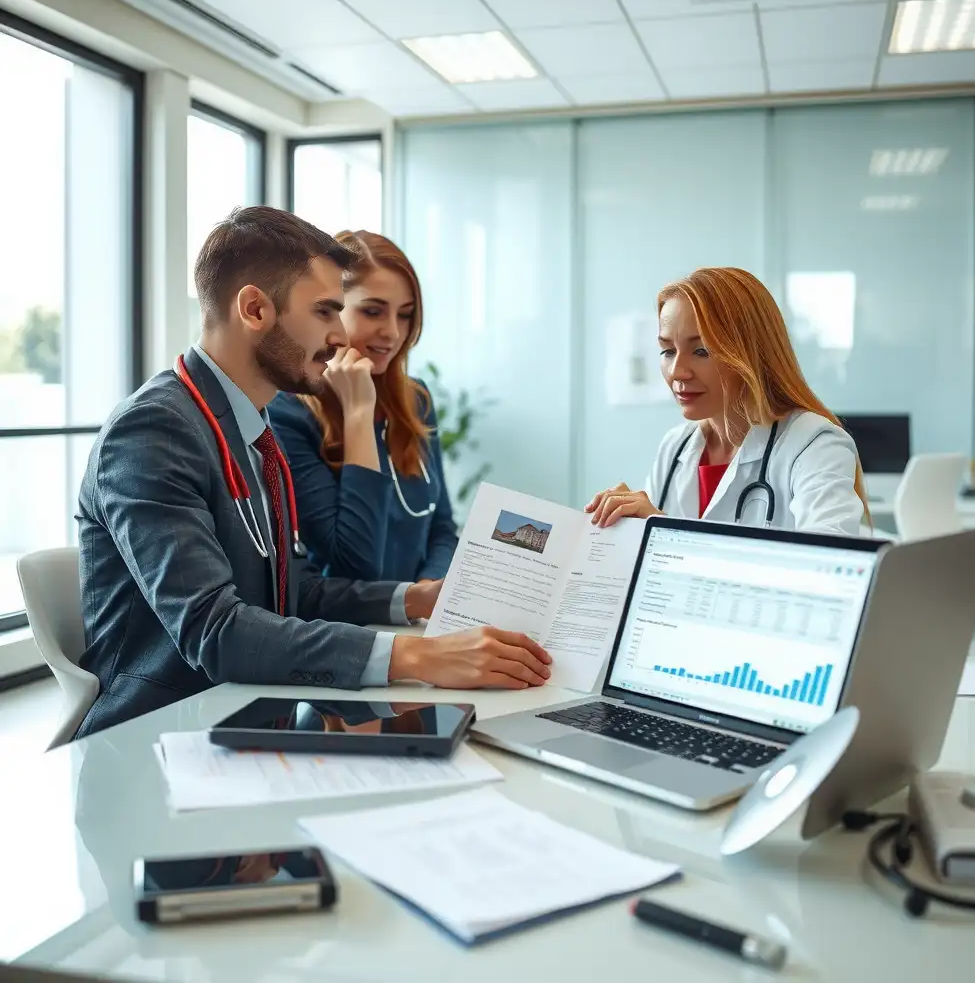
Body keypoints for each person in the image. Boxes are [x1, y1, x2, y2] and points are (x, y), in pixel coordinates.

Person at [74, 206, 550, 738]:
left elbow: (290, 592)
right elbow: (218, 631)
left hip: (252, 719)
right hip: (159, 743)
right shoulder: (154, 430)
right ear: (255, 309)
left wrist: (411, 599)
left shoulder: (249, 429)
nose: (339, 334)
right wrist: (417, 656)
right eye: (326, 312)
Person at [586, 267, 869, 534]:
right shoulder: (676, 447)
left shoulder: (814, 444)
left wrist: (664, 534)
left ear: (750, 354)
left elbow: (829, 566)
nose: (676, 372)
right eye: (668, 351)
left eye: (701, 351)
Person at [268, 231, 456, 584]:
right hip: (351, 632)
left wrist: (427, 591)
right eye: (372, 311)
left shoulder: (416, 399)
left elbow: (442, 525)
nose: (393, 332)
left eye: (405, 315)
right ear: (330, 312)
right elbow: (355, 564)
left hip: (418, 624)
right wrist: (358, 413)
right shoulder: (287, 416)